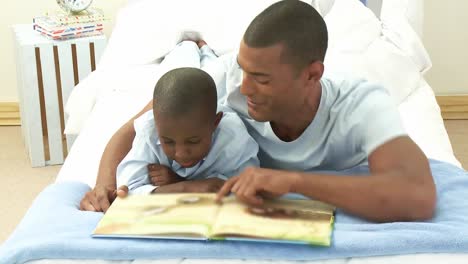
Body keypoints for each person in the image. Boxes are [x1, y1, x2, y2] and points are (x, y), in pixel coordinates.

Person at [80, 0, 435, 222]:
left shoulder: (361, 105)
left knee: (395, 61)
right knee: (194, 64)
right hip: (212, 65)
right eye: (244, 70)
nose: (244, 89)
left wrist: (293, 181)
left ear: (312, 75)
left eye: (261, 79)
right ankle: (193, 44)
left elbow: (418, 196)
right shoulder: (230, 77)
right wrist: (104, 186)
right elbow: (132, 130)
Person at [116, 65, 259, 195]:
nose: (181, 154)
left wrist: (177, 182)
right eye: (168, 141)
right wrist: (183, 187)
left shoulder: (234, 138)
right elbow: (125, 190)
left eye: (193, 141)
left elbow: (249, 188)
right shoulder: (150, 130)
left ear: (215, 123)